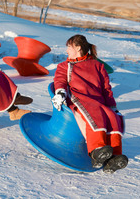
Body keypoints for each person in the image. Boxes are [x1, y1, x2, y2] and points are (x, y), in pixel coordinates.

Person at [52, 34, 128, 173]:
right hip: (79, 99)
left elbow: (106, 88)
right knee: (95, 115)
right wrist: (60, 92)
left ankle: (114, 157)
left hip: (98, 101)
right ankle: (96, 151)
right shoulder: (66, 66)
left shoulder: (97, 65)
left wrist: (113, 107)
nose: (67, 50)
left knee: (113, 118)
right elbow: (59, 80)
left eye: (69, 46)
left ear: (78, 48)